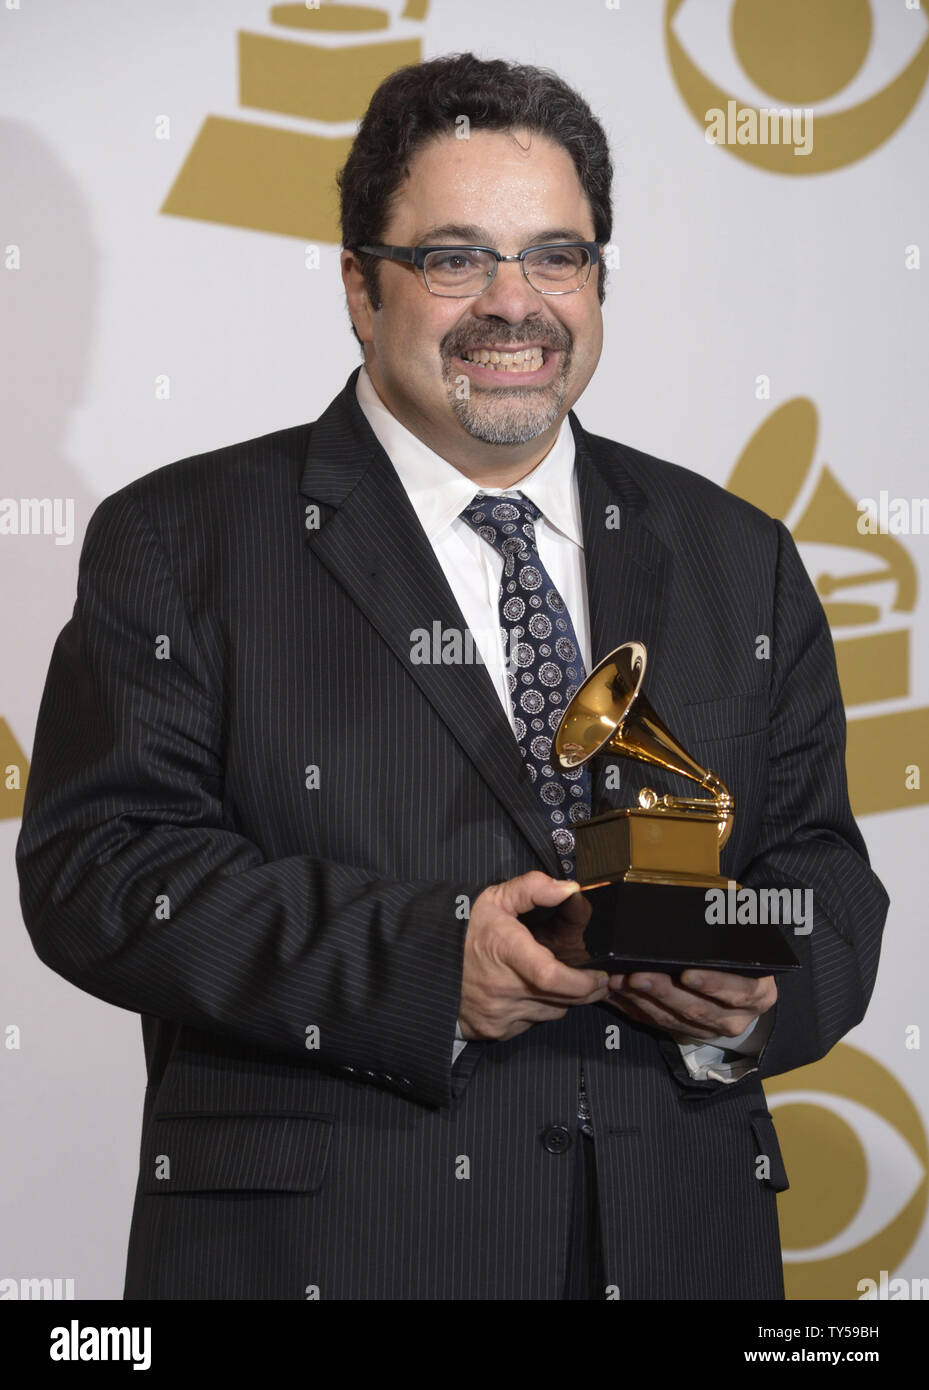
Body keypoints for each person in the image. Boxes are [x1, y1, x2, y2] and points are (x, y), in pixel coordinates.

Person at [16, 53, 887, 1301]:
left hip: (678, 1246)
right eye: (453, 258)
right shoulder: (183, 537)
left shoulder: (736, 556)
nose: (513, 304)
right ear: (361, 289)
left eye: (555, 256)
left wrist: (751, 983)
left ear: (595, 281)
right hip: (336, 1253)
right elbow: (100, 871)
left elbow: (827, 880)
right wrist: (426, 964)